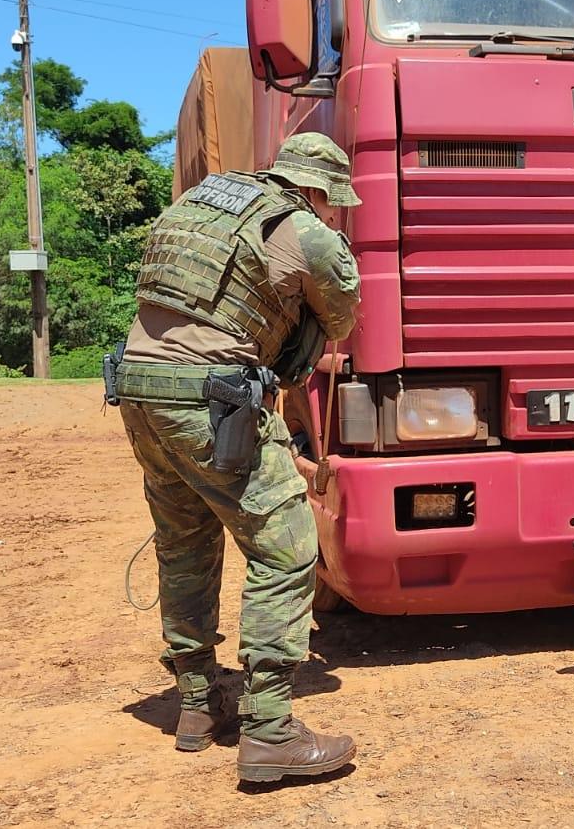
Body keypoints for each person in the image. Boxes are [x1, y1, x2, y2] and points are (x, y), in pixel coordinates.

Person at [114, 132, 362, 784]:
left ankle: (198, 705)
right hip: (212, 398)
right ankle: (271, 730)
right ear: (317, 190)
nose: (332, 213)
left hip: (139, 390)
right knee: (285, 549)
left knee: (185, 545)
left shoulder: (202, 204)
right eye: (333, 202)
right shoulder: (304, 229)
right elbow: (340, 316)